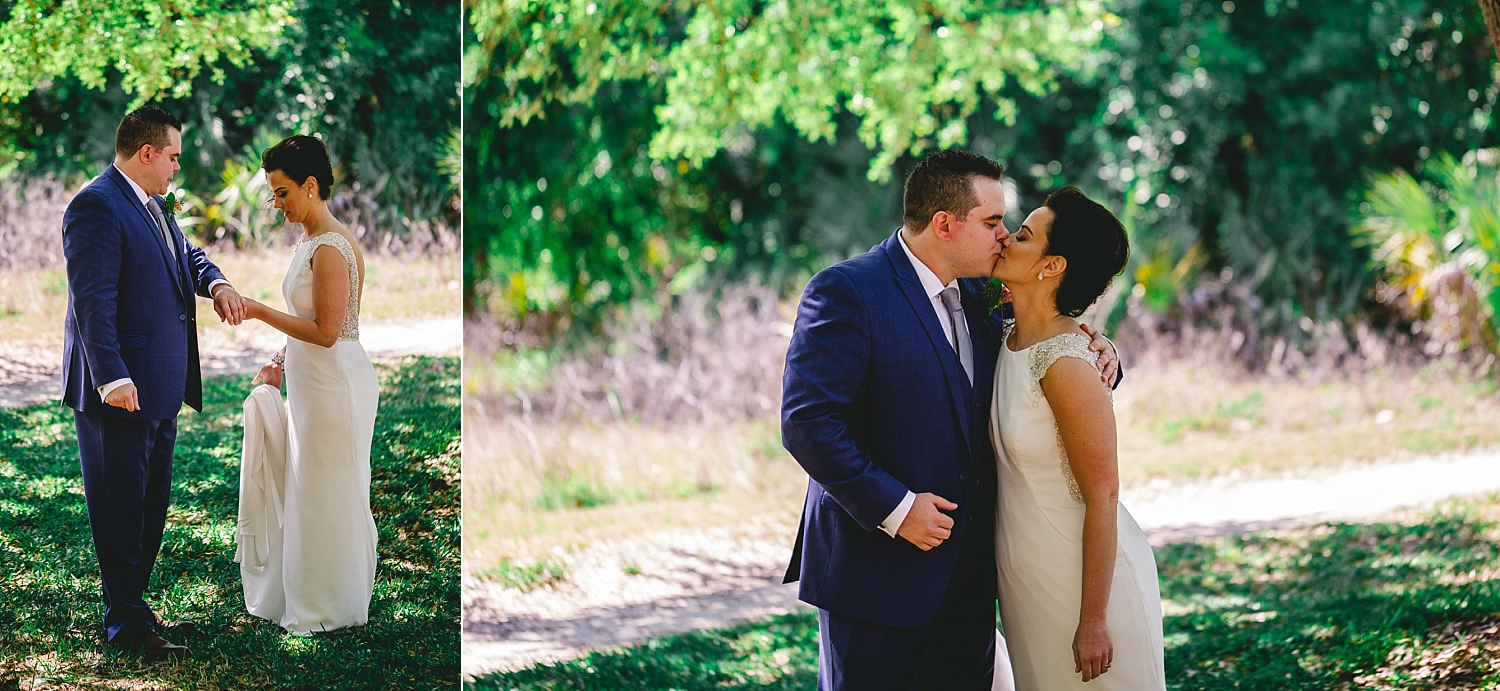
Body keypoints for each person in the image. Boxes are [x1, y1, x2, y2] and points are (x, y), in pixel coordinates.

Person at [780, 150, 1119, 690]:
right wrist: (896, 508)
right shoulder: (847, 291)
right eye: (991, 222)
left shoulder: (986, 292)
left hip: (969, 585)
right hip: (876, 578)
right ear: (944, 224)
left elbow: (1044, 352)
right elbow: (807, 423)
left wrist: (1104, 352)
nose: (1005, 236)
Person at [62, 105, 249, 659]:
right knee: (119, 508)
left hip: (161, 385)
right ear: (146, 154)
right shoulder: (95, 206)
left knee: (148, 507)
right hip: (118, 390)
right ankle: (125, 629)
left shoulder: (153, 205)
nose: (175, 168)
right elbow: (92, 301)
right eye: (172, 157)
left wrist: (214, 282)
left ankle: (133, 611)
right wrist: (112, 376)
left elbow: (184, 256)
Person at [989, 187, 1164, 689]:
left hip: (1085, 585)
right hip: (1030, 579)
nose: (1005, 239)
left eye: (1022, 236)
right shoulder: (1005, 337)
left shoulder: (1067, 361)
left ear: (1052, 265)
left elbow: (1104, 494)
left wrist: (1093, 620)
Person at [236, 134, 380, 634]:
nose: (277, 204)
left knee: (330, 490)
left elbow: (326, 332)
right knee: (312, 488)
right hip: (313, 381)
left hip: (334, 385)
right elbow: (311, 321)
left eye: (282, 192)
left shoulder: (333, 248)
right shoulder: (311, 240)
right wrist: (278, 358)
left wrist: (256, 310)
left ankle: (331, 607)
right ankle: (312, 593)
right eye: (273, 193)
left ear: (311, 185)